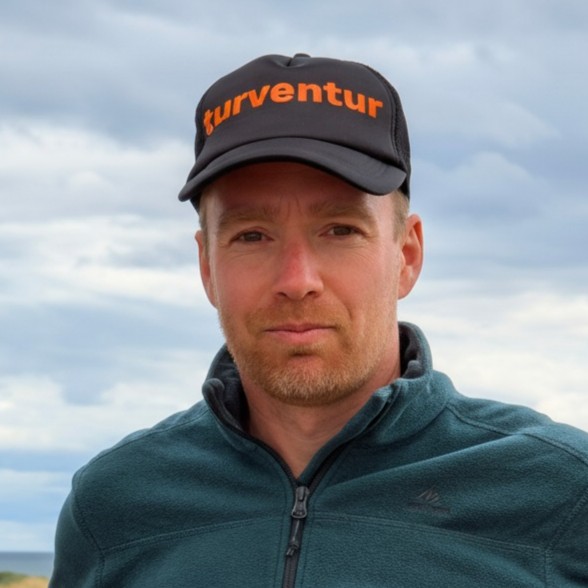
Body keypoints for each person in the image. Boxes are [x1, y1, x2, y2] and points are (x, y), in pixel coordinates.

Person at [50, 53, 588, 587]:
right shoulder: (111, 507)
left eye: (340, 230)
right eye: (252, 236)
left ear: (406, 255)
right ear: (207, 267)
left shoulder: (564, 493)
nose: (297, 279)